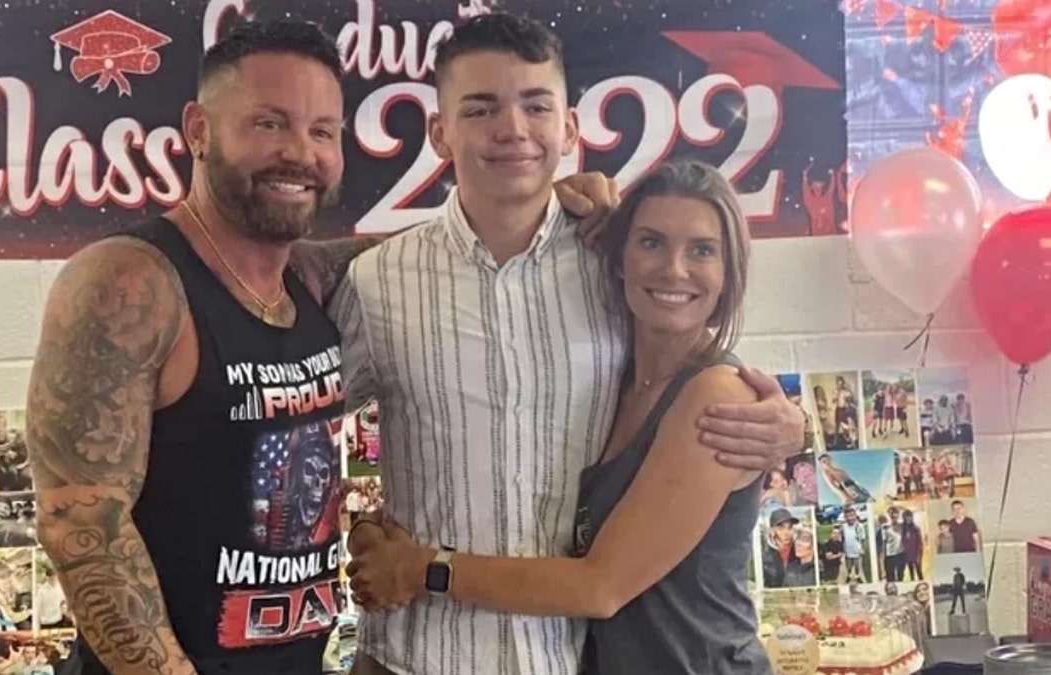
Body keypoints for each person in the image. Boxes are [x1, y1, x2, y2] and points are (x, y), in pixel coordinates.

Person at [26, 18, 619, 675]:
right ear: (198, 130)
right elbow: (82, 529)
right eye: (268, 123)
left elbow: (454, 261)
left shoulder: (315, 279)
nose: (299, 153)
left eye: (321, 131)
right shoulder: (128, 281)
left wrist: (548, 201)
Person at [335, 14, 804, 675]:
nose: (513, 130)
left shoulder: (616, 267)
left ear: (570, 128)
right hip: (413, 657)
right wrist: (354, 530)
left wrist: (792, 427)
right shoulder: (377, 281)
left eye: (535, 105)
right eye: (481, 108)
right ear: (439, 132)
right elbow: (298, 427)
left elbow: (698, 364)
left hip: (563, 658)